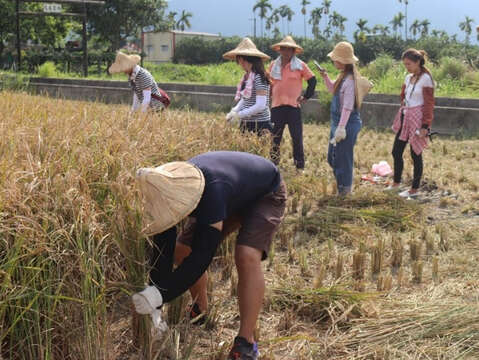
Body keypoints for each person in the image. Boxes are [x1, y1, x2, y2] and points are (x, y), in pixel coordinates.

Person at [132, 151, 287, 360]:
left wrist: (160, 294)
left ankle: (246, 342)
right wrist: (155, 308)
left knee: (246, 254)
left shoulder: (209, 190)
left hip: (264, 193)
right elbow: (162, 254)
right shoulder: (165, 192)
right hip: (232, 192)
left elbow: (202, 256)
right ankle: (200, 307)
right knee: (181, 249)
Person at [319, 42, 372, 195]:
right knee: (332, 158)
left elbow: (347, 107)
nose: (333, 61)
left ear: (342, 61)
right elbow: (332, 89)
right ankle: (341, 184)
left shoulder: (350, 81)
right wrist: (325, 76)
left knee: (344, 158)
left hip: (347, 124)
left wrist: (341, 128)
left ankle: (345, 191)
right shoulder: (342, 76)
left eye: (335, 59)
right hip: (338, 123)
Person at [387, 49, 435, 198]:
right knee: (396, 151)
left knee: (416, 153)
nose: (406, 67)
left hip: (418, 119)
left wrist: (425, 126)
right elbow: (403, 95)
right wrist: (404, 104)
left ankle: (414, 190)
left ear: (418, 62)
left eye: (409, 64)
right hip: (405, 116)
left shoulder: (426, 79)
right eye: (405, 64)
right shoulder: (408, 77)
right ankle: (396, 183)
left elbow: (429, 104)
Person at [268, 36, 317, 171]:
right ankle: (273, 164)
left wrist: (306, 96)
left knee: (296, 137)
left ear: (294, 51)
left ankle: (299, 165)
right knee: (275, 137)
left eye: (290, 50)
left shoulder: (300, 65)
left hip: (293, 107)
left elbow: (312, 80)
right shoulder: (273, 65)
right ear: (280, 50)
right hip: (277, 106)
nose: (286, 52)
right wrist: (268, 98)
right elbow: (269, 83)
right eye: (284, 49)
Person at [223, 38, 273, 135]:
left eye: (238, 60)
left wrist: (239, 115)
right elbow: (245, 99)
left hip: (259, 124)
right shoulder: (248, 77)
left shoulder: (259, 77)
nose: (239, 64)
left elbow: (260, 105)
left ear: (242, 59)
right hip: (247, 123)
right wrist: (234, 111)